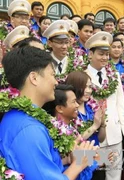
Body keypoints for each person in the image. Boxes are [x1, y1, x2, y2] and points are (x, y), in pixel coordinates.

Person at [0, 46, 96, 179]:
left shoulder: (16, 116)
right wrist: (79, 164)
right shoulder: (29, 129)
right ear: (34, 78)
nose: (56, 82)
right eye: (52, 74)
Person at [84, 31, 124, 180]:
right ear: (90, 54)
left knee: (114, 174)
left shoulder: (114, 75)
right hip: (92, 135)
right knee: (92, 173)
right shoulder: (82, 75)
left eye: (107, 54)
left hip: (115, 133)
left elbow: (120, 105)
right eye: (101, 54)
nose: (105, 57)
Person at [43, 84, 100, 180]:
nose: (77, 105)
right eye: (74, 102)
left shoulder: (70, 127)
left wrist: (98, 158)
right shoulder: (51, 134)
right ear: (60, 108)